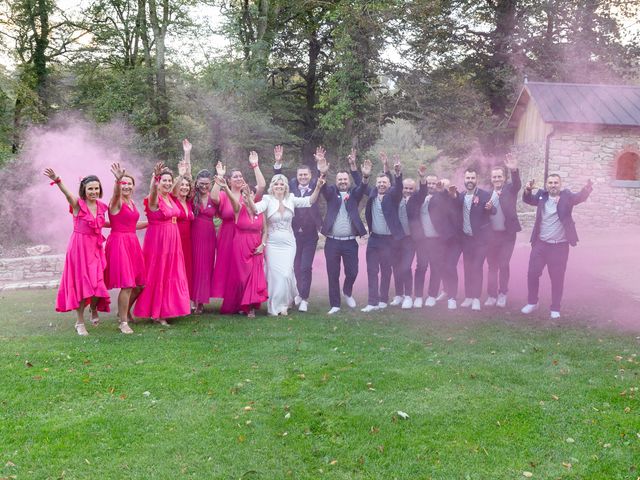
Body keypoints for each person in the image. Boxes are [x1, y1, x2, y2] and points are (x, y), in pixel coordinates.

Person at [244, 173, 325, 316]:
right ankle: (274, 306)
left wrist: (318, 187)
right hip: (272, 243)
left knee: (287, 273)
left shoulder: (291, 199)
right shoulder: (267, 199)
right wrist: (249, 199)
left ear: (286, 187)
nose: (279, 186)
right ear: (272, 187)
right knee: (275, 275)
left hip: (288, 242)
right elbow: (256, 209)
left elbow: (310, 201)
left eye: (282, 184)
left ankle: (285, 303)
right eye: (276, 184)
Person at [43, 168, 110, 336]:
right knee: (82, 284)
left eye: (96, 188)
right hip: (79, 249)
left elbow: (102, 223)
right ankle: (80, 322)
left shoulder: (102, 206)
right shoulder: (77, 204)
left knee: (97, 282)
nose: (94, 191)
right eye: (90, 189)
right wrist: (57, 179)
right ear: (84, 190)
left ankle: (93, 308)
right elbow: (67, 194)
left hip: (95, 247)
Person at [520, 174, 593, 319]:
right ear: (547, 185)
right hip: (540, 244)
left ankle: (555, 308)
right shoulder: (542, 195)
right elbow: (528, 199)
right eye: (550, 183)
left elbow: (579, 197)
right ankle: (532, 302)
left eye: (556, 183)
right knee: (532, 273)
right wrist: (527, 190)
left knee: (557, 278)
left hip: (559, 246)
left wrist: (586, 189)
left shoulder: (567, 196)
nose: (553, 185)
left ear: (560, 184)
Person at [133, 162, 190, 324]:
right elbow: (152, 193)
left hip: (173, 240)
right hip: (158, 241)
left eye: (169, 181)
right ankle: (157, 313)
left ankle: (169, 309)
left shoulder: (170, 198)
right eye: (164, 181)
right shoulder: (153, 199)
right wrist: (155, 179)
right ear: (158, 182)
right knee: (159, 273)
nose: (167, 183)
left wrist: (181, 174)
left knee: (172, 273)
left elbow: (177, 186)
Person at [317, 150, 370, 315]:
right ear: (336, 181)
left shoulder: (354, 194)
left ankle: (347, 291)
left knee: (352, 271)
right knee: (333, 274)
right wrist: (322, 172)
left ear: (348, 181)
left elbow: (362, 187)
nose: (342, 182)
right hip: (332, 242)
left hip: (349, 242)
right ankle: (335, 305)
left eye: (345, 179)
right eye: (340, 179)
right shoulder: (331, 193)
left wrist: (365, 176)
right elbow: (323, 187)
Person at [273, 145, 323, 312]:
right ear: (296, 176)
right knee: (294, 266)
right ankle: (297, 294)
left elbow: (321, 176)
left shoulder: (316, 184)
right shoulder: (291, 186)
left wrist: (319, 163)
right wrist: (278, 163)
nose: (303, 177)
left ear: (310, 176)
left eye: (305, 175)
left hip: (310, 234)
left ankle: (304, 298)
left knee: (305, 266)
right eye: (300, 175)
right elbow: (278, 181)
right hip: (292, 234)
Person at [211, 152, 266, 300]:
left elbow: (261, 186)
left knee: (244, 267)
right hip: (227, 235)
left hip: (245, 236)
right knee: (228, 266)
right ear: (228, 181)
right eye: (235, 176)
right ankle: (229, 297)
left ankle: (244, 297)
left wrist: (255, 165)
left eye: (241, 176)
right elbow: (213, 197)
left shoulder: (248, 195)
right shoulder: (223, 195)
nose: (239, 178)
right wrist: (219, 177)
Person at [104, 163, 146, 334]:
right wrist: (117, 180)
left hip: (132, 242)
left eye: (129, 184)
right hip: (119, 243)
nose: (126, 186)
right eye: (124, 184)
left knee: (139, 285)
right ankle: (123, 322)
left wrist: (154, 222)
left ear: (133, 187)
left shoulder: (132, 202)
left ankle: (124, 310)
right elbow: (115, 195)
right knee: (127, 284)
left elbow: (132, 224)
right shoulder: (116, 202)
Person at [218, 178, 268, 317]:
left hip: (256, 245)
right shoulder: (238, 209)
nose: (247, 197)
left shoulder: (260, 212)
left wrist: (262, 245)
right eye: (244, 195)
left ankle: (250, 307)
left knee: (254, 277)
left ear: (254, 195)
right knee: (241, 277)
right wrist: (225, 188)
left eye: (250, 194)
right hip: (240, 244)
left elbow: (265, 231)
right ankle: (239, 303)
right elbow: (233, 199)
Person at [447, 168, 495, 311]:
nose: (470, 181)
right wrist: (452, 196)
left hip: (481, 240)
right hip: (466, 239)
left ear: (476, 180)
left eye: (472, 178)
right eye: (467, 178)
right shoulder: (460, 196)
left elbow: (493, 210)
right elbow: (453, 208)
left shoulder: (485, 195)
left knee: (477, 267)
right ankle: (468, 297)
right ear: (464, 179)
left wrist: (490, 207)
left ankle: (476, 298)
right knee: (468, 268)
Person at [360, 157, 405, 313]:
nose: (381, 185)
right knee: (372, 270)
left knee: (386, 270)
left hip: (390, 240)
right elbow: (361, 185)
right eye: (379, 182)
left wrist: (398, 173)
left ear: (389, 184)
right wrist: (361, 172)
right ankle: (372, 302)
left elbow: (399, 188)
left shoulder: (393, 196)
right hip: (374, 239)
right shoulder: (372, 193)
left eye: (384, 182)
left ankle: (383, 299)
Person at [407, 169, 453, 308]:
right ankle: (419, 296)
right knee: (421, 267)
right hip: (422, 240)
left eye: (434, 183)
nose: (431, 185)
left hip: (437, 241)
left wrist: (442, 191)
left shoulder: (441, 197)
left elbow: (447, 200)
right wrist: (421, 179)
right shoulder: (418, 197)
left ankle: (432, 295)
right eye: (429, 183)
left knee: (436, 268)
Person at [484, 153, 521, 308]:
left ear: (504, 178)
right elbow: (483, 214)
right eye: (494, 177)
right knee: (492, 266)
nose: (497, 179)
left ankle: (502, 293)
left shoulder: (510, 190)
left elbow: (518, 185)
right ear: (491, 179)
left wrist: (514, 170)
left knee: (504, 263)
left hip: (507, 235)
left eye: (500, 177)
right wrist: (487, 209)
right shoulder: (486, 194)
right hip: (491, 236)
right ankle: (491, 295)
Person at [390, 162, 417, 310]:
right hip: (396, 239)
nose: (407, 190)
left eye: (410, 188)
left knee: (406, 267)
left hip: (410, 240)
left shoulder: (416, 200)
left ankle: (408, 296)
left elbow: (424, 191)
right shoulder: (395, 198)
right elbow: (396, 186)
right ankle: (399, 294)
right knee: (396, 268)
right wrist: (397, 174)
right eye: (406, 188)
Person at [190, 168, 216, 314]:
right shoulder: (193, 196)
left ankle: (202, 300)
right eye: (201, 183)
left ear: (211, 183)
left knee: (206, 267)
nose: (204, 186)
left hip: (209, 235)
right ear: (197, 183)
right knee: (196, 266)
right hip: (195, 233)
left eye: (206, 183)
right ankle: (195, 300)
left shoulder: (215, 197)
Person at [173, 140, 195, 304]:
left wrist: (188, 153)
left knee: (185, 270)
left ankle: (183, 301)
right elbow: (183, 177)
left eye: (187, 186)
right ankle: (173, 300)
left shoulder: (188, 202)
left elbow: (188, 177)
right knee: (174, 271)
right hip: (174, 240)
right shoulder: (172, 200)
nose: (185, 187)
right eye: (182, 185)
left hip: (187, 242)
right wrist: (180, 175)